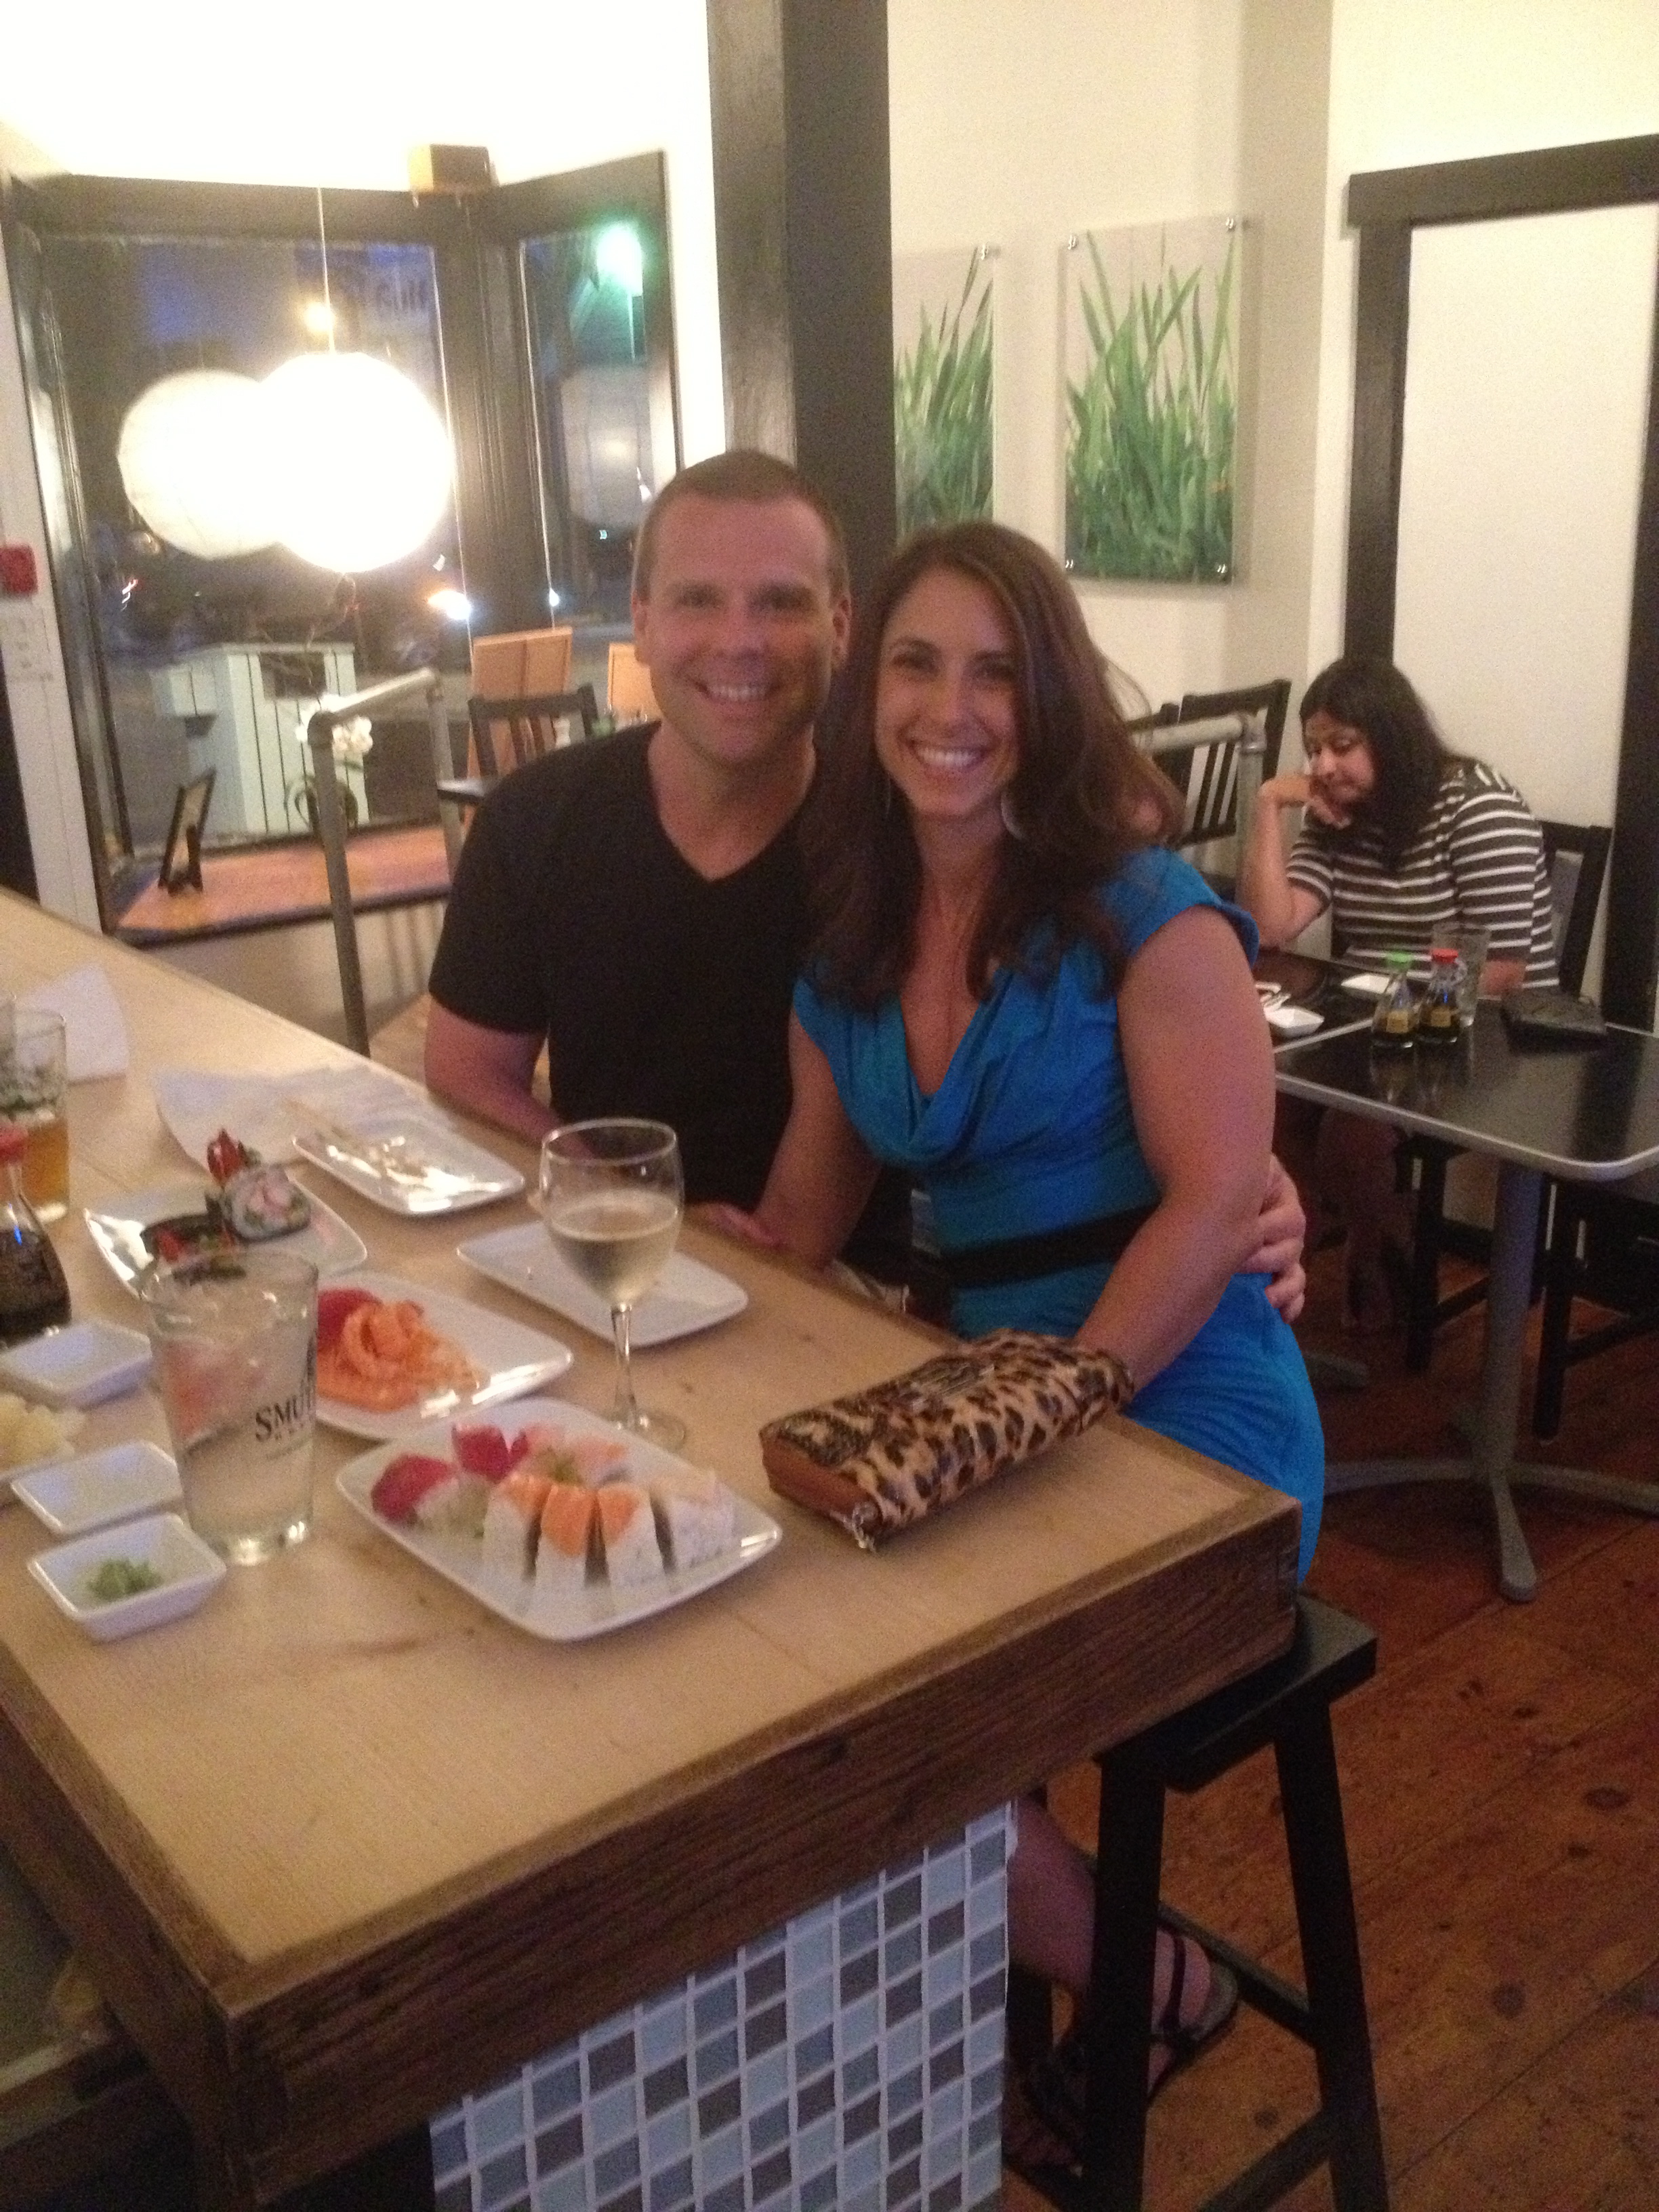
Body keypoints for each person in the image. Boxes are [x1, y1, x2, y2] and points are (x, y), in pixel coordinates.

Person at [708, 518, 1325, 2148]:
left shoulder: (1147, 918)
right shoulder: (848, 952)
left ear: (1048, 702)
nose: (950, 707)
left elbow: (1218, 1201)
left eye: (995, 672)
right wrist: (679, 1253)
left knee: (874, 1722)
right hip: (997, 1418)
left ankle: (1158, 1985)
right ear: (868, 696)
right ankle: (960, 2024)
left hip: (1188, 1414)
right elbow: (800, 1222)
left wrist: (1062, 1394)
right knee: (779, 1667)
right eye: (915, 664)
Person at [426, 449, 1305, 1296]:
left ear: (841, 627)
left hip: (845, 1283)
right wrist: (630, 1210)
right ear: (643, 619)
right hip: (610, 1248)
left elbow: (1100, 1044)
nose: (740, 641)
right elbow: (466, 1070)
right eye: (698, 600)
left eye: (781, 603)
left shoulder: (910, 844)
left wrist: (1241, 1183)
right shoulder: (535, 819)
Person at [1237, 655, 1558, 1327]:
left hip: (1480, 1032)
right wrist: (1269, 804)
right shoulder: (1338, 813)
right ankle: (1292, 1285)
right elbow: (1270, 926)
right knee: (1265, 1109)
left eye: (1342, 745)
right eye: (1314, 749)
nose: (1324, 766)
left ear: (1392, 737)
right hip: (1376, 1023)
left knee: (1349, 1135)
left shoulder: (1478, 807)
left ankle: (1374, 1245)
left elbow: (1503, 971)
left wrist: (1385, 977)